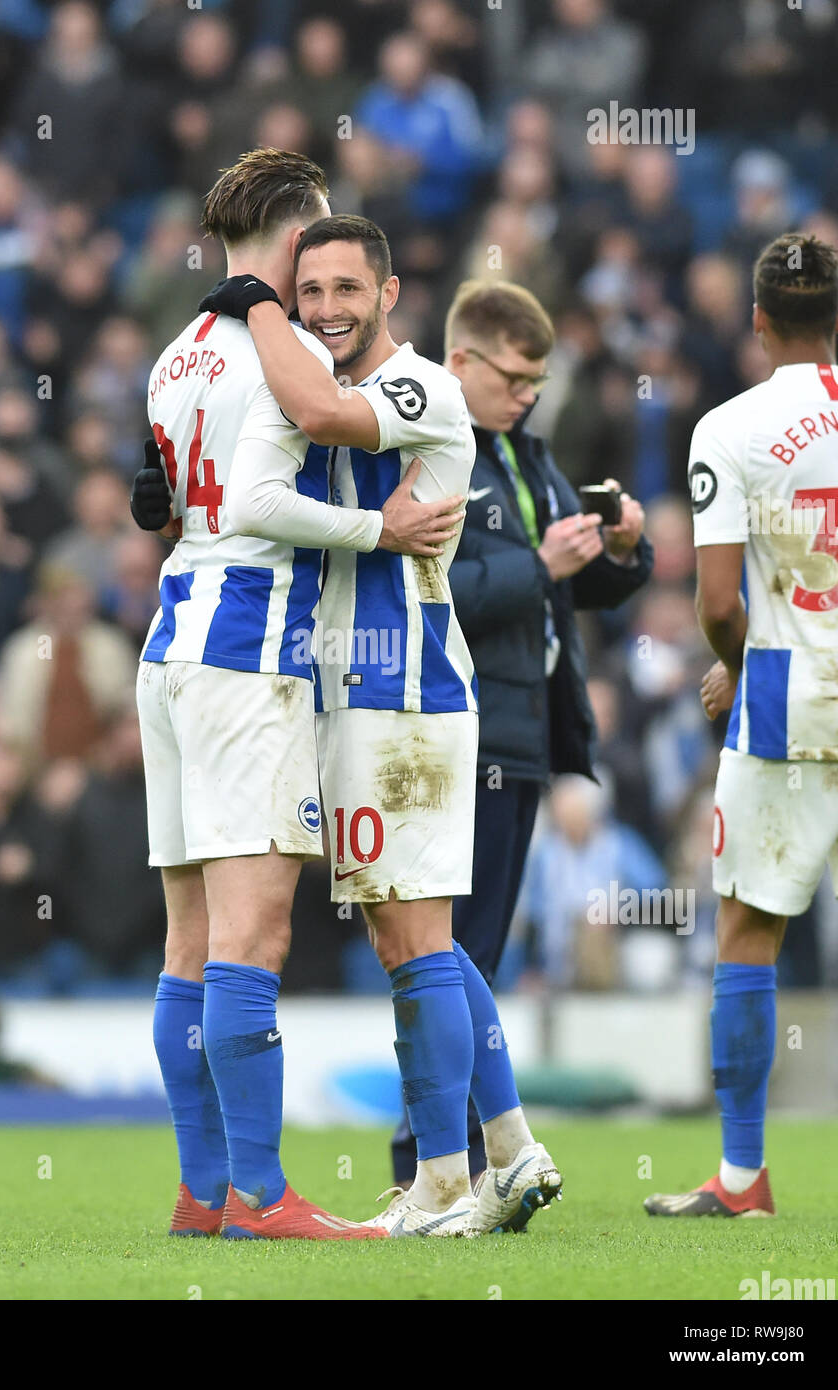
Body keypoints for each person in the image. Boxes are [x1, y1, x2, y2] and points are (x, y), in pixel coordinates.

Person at [200, 215, 561, 1236]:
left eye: (344, 291)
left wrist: (251, 302)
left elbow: (317, 425)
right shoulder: (322, 386)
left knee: (417, 944)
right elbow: (254, 493)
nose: (324, 311)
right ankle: (488, 1158)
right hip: (346, 695)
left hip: (404, 695)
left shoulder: (421, 387)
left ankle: (448, 1177)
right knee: (415, 942)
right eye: (306, 292)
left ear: (389, 293)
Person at [130, 150, 456, 1241]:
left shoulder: (176, 353)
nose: (322, 270)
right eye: (316, 241)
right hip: (244, 643)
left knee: (186, 942)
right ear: (296, 230)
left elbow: (168, 498)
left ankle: (200, 1187)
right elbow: (275, 481)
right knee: (252, 938)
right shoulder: (276, 350)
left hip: (170, 637)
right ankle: (263, 1198)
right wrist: (378, 526)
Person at [385, 279, 652, 1189]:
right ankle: (430, 1157)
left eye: (540, 378)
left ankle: (442, 1159)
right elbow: (433, 589)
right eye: (517, 375)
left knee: (465, 951)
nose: (530, 392)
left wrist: (622, 553)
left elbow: (577, 587)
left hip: (523, 734)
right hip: (467, 732)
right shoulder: (432, 455)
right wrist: (540, 565)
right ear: (462, 362)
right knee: (453, 949)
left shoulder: (530, 457)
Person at [645, 232, 838, 1217]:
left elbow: (719, 602)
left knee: (747, 929)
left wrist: (736, 670)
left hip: (787, 698)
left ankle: (739, 1177)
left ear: (758, 321)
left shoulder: (725, 430)